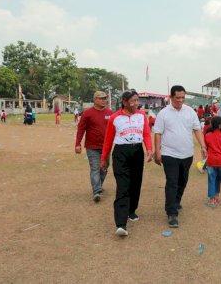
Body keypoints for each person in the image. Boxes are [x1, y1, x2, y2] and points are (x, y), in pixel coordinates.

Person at [101, 89, 153, 237]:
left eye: (138, 101)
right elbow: (108, 140)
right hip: (120, 154)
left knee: (136, 183)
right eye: (133, 101)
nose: (136, 103)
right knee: (123, 186)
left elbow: (146, 134)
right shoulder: (114, 118)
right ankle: (121, 224)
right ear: (124, 101)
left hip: (137, 152)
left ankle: (131, 210)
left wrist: (149, 149)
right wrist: (103, 158)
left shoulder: (142, 115)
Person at [153, 85, 206, 229]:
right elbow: (157, 133)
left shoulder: (190, 112)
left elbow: (197, 129)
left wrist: (202, 145)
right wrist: (157, 151)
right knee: (172, 181)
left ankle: (176, 201)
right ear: (171, 97)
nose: (181, 100)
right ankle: (171, 213)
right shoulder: (163, 113)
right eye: (178, 98)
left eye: (183, 97)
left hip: (187, 154)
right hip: (169, 154)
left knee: (183, 180)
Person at [75, 91, 113, 202]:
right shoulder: (87, 114)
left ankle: (99, 185)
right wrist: (77, 144)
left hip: (106, 147)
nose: (104, 100)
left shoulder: (110, 113)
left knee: (104, 168)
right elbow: (81, 129)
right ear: (95, 99)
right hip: (92, 147)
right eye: (101, 98)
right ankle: (96, 191)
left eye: (105, 98)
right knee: (95, 168)